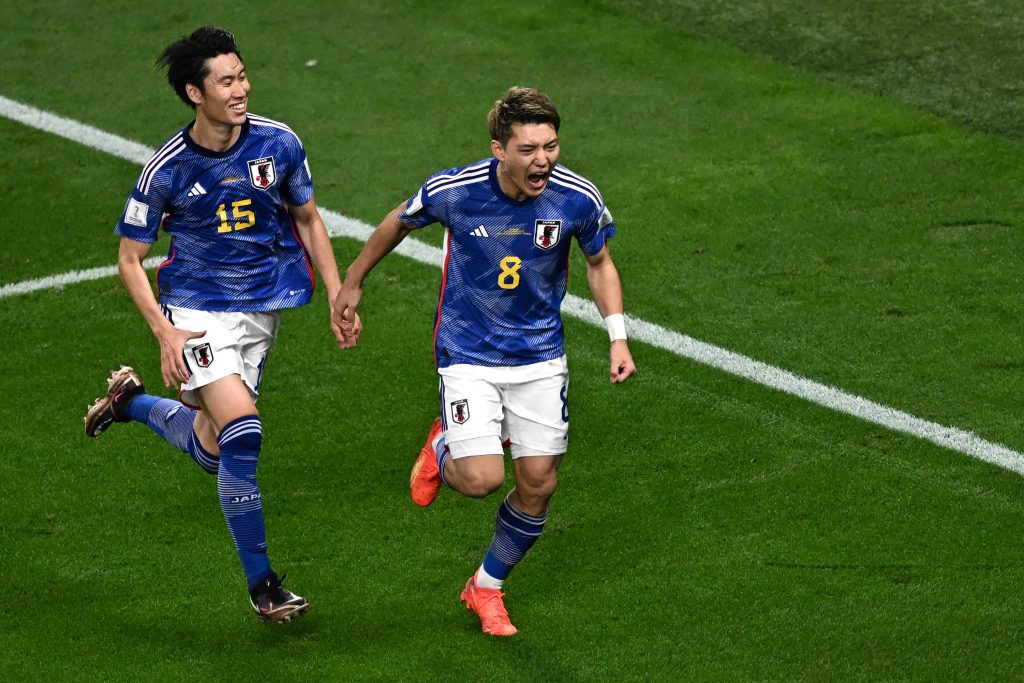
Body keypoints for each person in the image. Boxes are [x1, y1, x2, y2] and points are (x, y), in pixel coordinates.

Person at [332, 86, 636, 636]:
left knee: (539, 483)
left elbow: (600, 262)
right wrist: (353, 281)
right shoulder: (456, 191)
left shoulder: (576, 199)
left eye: (550, 145)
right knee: (479, 480)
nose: (542, 160)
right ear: (499, 148)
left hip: (540, 356)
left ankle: (486, 587)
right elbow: (398, 221)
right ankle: (443, 441)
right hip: (468, 352)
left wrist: (617, 336)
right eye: (528, 149)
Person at [84, 26, 357, 623]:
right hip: (197, 314)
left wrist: (339, 292)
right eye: (226, 80)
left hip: (262, 310)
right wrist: (166, 332)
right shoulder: (167, 170)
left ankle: (129, 404)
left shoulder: (279, 143)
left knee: (213, 450)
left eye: (242, 75)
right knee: (243, 430)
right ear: (194, 93)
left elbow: (308, 219)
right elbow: (130, 259)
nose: (242, 88)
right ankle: (264, 586)